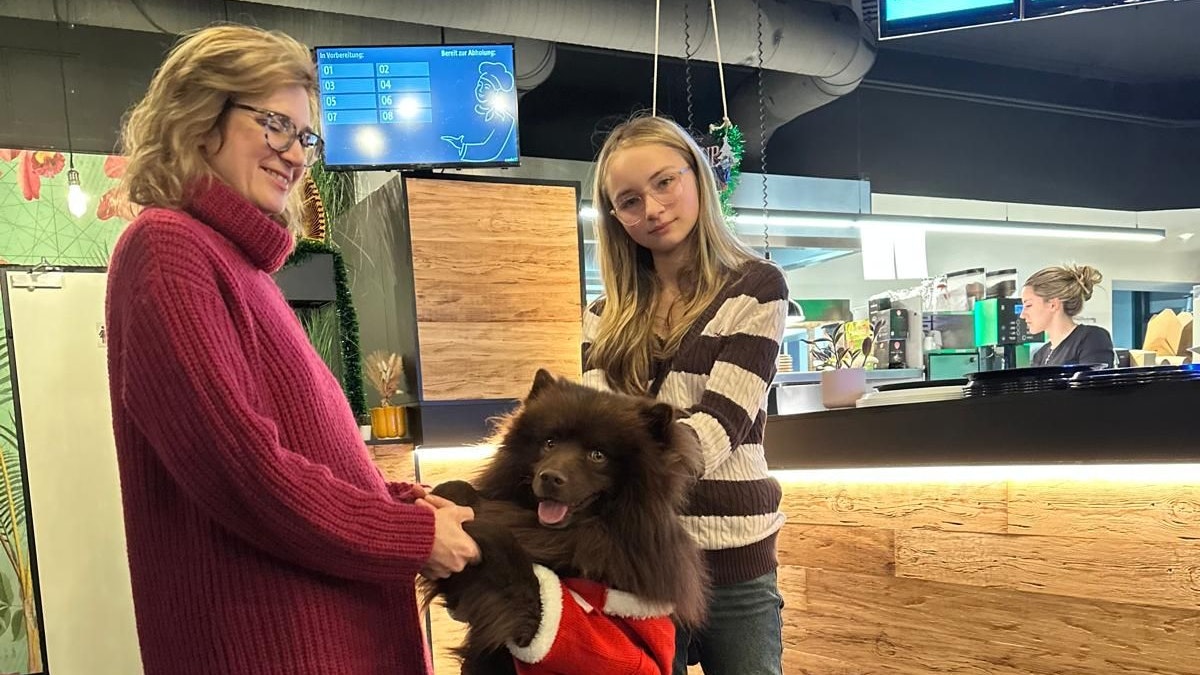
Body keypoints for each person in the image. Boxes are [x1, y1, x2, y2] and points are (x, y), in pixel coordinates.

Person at [105, 25, 478, 675]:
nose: (296, 155)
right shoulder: (169, 248)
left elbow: (294, 455)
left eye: (306, 137)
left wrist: (395, 501)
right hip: (274, 649)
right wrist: (410, 535)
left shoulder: (234, 265)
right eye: (275, 125)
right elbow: (243, 473)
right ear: (200, 116)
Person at [582, 115, 787, 675]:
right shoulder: (603, 316)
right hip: (638, 561)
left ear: (696, 175)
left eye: (664, 182)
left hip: (734, 558)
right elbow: (594, 433)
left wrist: (620, 461)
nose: (652, 208)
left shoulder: (756, 287)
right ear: (615, 217)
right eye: (629, 201)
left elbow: (719, 427)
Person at [1021, 264, 1115, 367]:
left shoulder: (1091, 338)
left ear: (1053, 305)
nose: (1022, 315)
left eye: (1028, 305)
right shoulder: (1040, 355)